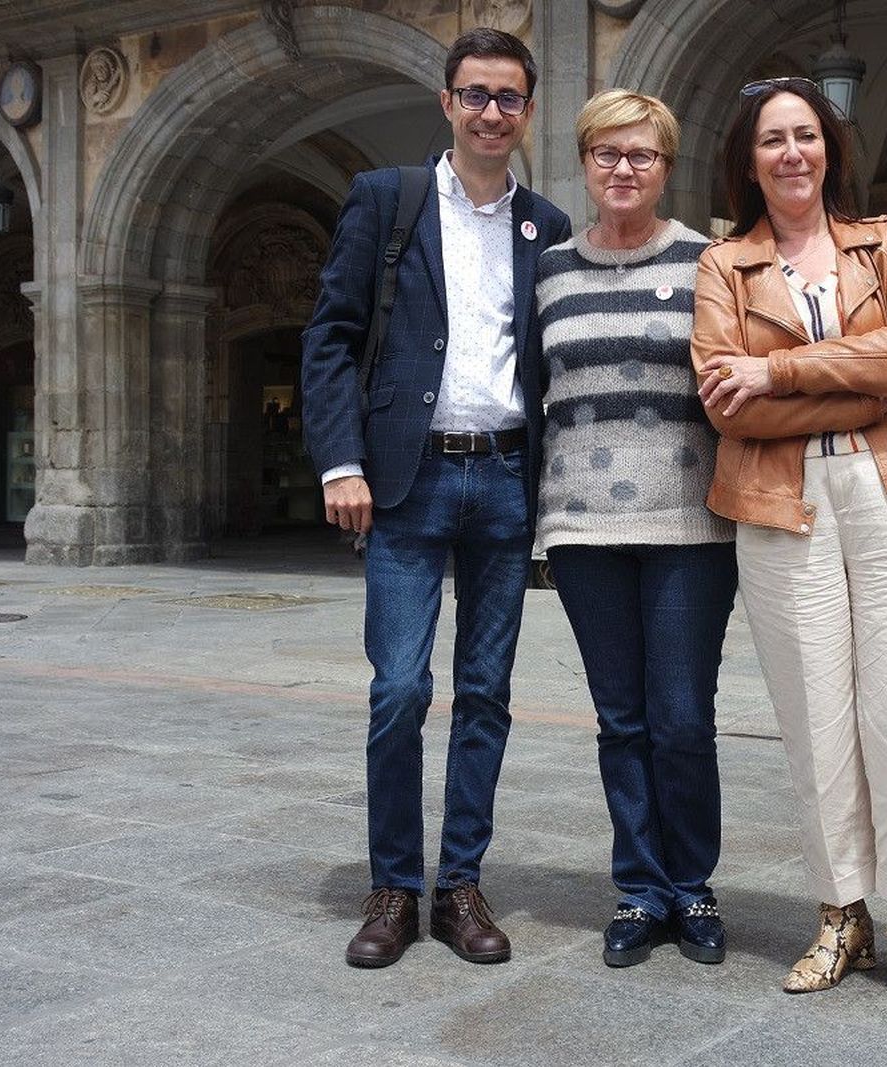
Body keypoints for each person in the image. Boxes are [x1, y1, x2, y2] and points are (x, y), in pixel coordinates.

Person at [300, 27, 571, 969]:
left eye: (508, 97)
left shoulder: (547, 226)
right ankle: (393, 887)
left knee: (486, 692)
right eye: (475, 95)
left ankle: (459, 886)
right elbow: (331, 335)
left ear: (526, 111)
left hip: (504, 478)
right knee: (400, 689)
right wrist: (341, 461)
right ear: (448, 103)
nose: (491, 112)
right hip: (406, 481)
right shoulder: (389, 199)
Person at [691, 77, 887, 1006]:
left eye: (805, 134)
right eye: (772, 139)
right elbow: (722, 402)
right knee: (814, 718)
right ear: (750, 159)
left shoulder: (883, 240)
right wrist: (865, 386)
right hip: (781, 500)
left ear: (829, 148)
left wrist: (777, 372)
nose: (792, 153)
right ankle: (841, 912)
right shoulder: (724, 266)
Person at [534, 90, 738, 968]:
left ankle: (692, 884)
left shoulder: (708, 262)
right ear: (585, 163)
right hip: (582, 527)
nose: (623, 169)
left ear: (665, 167)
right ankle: (641, 888)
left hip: (691, 522)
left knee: (683, 718)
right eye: (607, 154)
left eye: (641, 155)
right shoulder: (548, 271)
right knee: (621, 719)